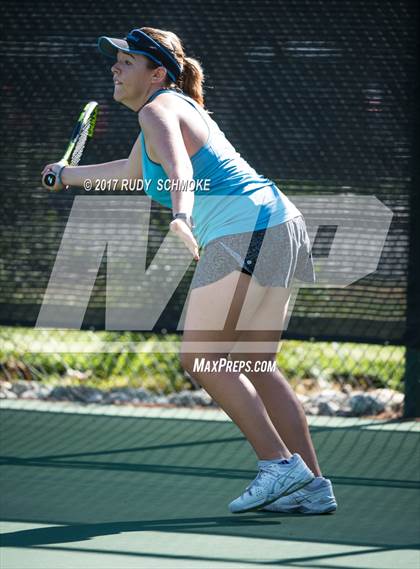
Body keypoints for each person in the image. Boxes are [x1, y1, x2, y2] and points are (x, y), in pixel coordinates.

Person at [41, 26, 337, 515]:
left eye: (127, 60)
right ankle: (312, 483)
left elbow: (179, 170)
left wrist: (181, 215)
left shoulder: (159, 109)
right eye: (115, 59)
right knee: (252, 364)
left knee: (201, 356)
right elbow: (136, 171)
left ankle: (279, 467)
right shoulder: (166, 111)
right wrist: (66, 174)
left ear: (157, 73)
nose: (115, 66)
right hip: (281, 225)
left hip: (245, 230)